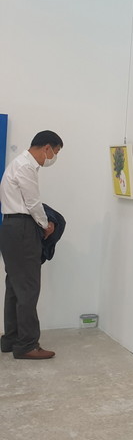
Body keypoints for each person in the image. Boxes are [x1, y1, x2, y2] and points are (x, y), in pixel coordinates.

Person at [0, 130, 63, 359]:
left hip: (10, 227)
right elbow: (33, 203)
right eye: (55, 152)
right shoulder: (26, 167)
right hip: (22, 229)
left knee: (15, 286)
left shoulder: (17, 164)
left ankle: (12, 339)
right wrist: (46, 225)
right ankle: (27, 345)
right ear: (46, 147)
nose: (54, 157)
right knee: (28, 287)